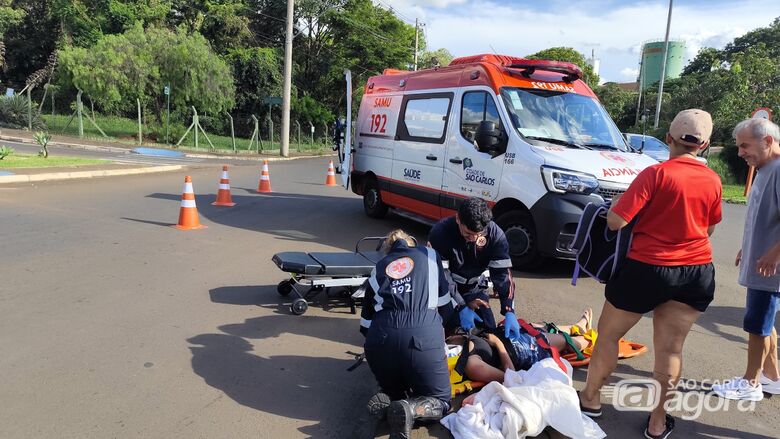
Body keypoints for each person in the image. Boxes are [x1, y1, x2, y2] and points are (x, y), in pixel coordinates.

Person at [577, 109, 722, 439]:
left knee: (609, 336)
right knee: (671, 351)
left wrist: (617, 207)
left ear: (669, 139)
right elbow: (709, 228)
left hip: (647, 268)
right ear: (705, 145)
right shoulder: (713, 180)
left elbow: (616, 221)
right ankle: (657, 423)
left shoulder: (656, 174)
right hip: (696, 271)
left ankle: (591, 399)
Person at [358, 229, 453, 439]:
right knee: (442, 401)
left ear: (388, 251)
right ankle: (410, 409)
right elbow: (446, 308)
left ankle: (391, 401)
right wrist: (435, 341)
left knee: (396, 390)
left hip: (380, 339)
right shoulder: (429, 256)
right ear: (412, 243)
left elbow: (365, 325)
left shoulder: (379, 268)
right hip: (422, 336)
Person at [713, 118, 780, 401]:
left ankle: (750, 383)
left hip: (770, 268)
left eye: (744, 145)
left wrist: (773, 253)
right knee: (765, 321)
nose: (740, 152)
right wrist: (746, 246)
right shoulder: (764, 168)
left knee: (757, 324)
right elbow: (761, 217)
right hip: (761, 260)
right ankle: (772, 377)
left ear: (767, 141)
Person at [428, 197, 520, 340]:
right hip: (447, 290)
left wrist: (509, 310)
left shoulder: (496, 235)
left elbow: (502, 274)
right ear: (458, 219)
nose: (473, 238)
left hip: (474, 288)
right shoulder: (441, 232)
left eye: (479, 234)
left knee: (489, 330)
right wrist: (460, 306)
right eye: (468, 234)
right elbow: (442, 276)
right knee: (445, 331)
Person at [448, 309, 593, 384]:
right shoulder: (472, 365)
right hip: (521, 350)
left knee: (536, 327)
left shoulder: (449, 341)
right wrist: (498, 344)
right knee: (565, 341)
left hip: (510, 335)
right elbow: (512, 377)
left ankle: (576, 327)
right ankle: (594, 339)